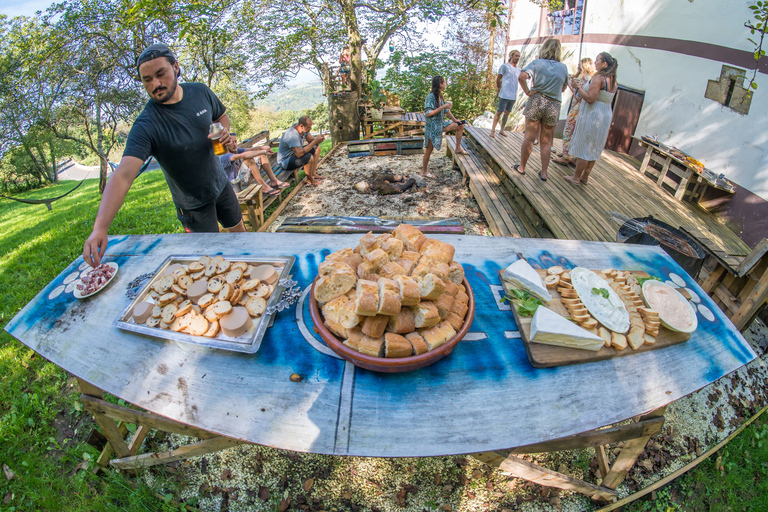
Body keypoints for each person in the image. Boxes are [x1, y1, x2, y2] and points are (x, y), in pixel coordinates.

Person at [82, 43, 240, 268]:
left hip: (221, 185)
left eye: (160, 74)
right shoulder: (147, 125)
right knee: (210, 262)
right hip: (193, 206)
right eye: (147, 80)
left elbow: (221, 116)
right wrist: (100, 228)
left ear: (175, 67)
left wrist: (226, 134)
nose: (155, 84)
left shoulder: (200, 91)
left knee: (241, 235)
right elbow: (123, 175)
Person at [514, 38, 569, 181]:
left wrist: (527, 91)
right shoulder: (563, 68)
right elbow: (563, 87)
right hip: (553, 105)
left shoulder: (537, 63)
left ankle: (522, 167)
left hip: (537, 100)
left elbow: (522, 76)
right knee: (546, 142)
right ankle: (544, 173)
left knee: (529, 137)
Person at [563, 52, 618, 186]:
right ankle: (585, 177)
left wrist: (578, 88)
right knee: (595, 147)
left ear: (604, 64)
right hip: (605, 114)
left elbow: (590, 98)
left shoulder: (599, 77)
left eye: (597, 60)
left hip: (593, 114)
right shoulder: (613, 80)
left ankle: (576, 177)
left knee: (585, 145)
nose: (595, 63)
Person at [422, 76, 468, 179]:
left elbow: (446, 111)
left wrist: (455, 120)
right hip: (432, 126)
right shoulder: (430, 97)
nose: (446, 84)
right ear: (440, 84)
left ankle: (458, 148)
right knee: (429, 150)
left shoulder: (440, 95)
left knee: (460, 125)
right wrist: (443, 107)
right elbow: (428, 113)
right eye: (444, 82)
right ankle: (424, 171)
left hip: (441, 124)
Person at [553, 57, 595, 165]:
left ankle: (566, 157)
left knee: (569, 132)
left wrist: (573, 86)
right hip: (583, 109)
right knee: (576, 133)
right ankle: (570, 155)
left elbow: (578, 95)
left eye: (579, 64)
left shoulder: (586, 78)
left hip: (577, 109)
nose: (577, 66)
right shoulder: (591, 78)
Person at [221, 134, 289, 196]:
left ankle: (274, 181)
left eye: (235, 141)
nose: (235, 144)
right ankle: (264, 187)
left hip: (243, 179)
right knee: (249, 160)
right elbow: (242, 156)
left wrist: (263, 148)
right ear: (226, 144)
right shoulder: (224, 156)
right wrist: (264, 151)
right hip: (235, 186)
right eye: (232, 142)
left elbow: (252, 149)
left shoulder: (236, 150)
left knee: (261, 155)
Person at [277, 115, 326, 186]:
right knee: (308, 157)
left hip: (294, 154)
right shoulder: (292, 135)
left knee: (317, 148)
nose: (310, 129)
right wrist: (315, 141)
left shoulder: (303, 130)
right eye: (309, 127)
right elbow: (299, 154)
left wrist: (318, 140)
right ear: (302, 126)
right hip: (285, 161)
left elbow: (311, 141)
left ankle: (313, 173)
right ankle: (310, 180)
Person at [490, 50, 521, 139]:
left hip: (513, 95)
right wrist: (499, 88)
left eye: (519, 56)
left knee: (507, 113)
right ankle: (492, 131)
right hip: (504, 94)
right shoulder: (505, 66)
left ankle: (501, 129)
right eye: (516, 56)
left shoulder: (519, 70)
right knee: (499, 112)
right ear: (511, 56)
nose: (517, 58)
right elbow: (498, 79)